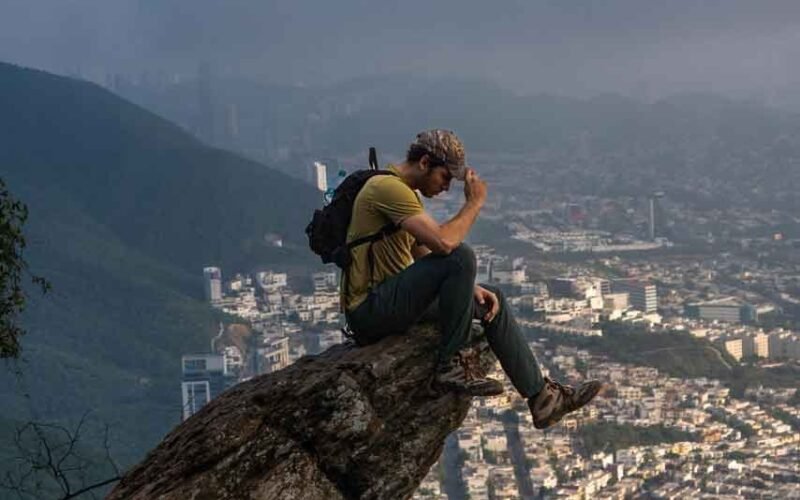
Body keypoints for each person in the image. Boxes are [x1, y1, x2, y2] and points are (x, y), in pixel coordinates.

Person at [342, 129, 601, 429]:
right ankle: (451, 366)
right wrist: (474, 203)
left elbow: (419, 251)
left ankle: (542, 398)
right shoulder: (387, 188)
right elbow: (444, 244)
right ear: (424, 162)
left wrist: (466, 287)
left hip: (393, 300)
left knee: (492, 300)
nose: (446, 187)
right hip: (370, 309)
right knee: (461, 254)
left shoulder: (404, 193)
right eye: (444, 177)